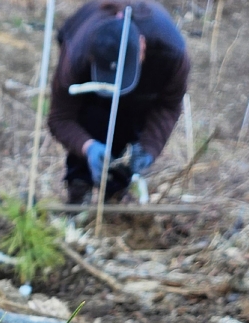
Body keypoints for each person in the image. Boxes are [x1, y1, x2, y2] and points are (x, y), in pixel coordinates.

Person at [47, 0, 190, 204]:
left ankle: (115, 190)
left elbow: (169, 106)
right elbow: (60, 117)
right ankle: (80, 188)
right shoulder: (77, 54)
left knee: (130, 117)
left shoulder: (171, 53)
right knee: (94, 114)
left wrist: (150, 147)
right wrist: (87, 147)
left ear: (142, 46)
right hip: (90, 93)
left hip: (144, 87)